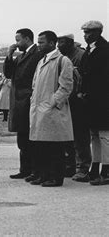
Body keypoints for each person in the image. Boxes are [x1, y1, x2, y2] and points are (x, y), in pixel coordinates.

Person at [29, 31, 74, 187]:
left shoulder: (63, 60)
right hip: (39, 108)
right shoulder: (41, 61)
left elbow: (66, 86)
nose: (39, 45)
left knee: (55, 146)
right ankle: (44, 174)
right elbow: (35, 84)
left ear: (52, 43)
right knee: (42, 145)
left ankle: (56, 177)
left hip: (52, 109)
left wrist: (53, 102)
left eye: (42, 42)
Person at [4, 28, 43, 180]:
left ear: (27, 39)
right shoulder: (22, 56)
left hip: (28, 100)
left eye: (18, 40)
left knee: (30, 138)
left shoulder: (37, 54)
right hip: (19, 100)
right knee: (22, 138)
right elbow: (9, 73)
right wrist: (9, 55)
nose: (16, 43)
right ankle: (25, 168)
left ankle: (34, 169)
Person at [57, 33, 91, 182]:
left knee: (80, 137)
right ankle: (70, 166)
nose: (59, 45)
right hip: (66, 101)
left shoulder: (81, 55)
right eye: (58, 42)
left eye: (62, 42)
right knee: (67, 136)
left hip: (79, 103)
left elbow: (87, 77)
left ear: (70, 43)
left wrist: (82, 94)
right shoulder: (61, 57)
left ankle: (83, 168)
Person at [80, 21, 109, 186]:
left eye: (89, 32)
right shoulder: (90, 51)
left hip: (103, 98)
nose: (86, 35)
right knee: (94, 135)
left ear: (98, 32)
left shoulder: (105, 50)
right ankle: (95, 167)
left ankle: (106, 169)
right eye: (85, 33)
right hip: (91, 99)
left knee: (105, 135)